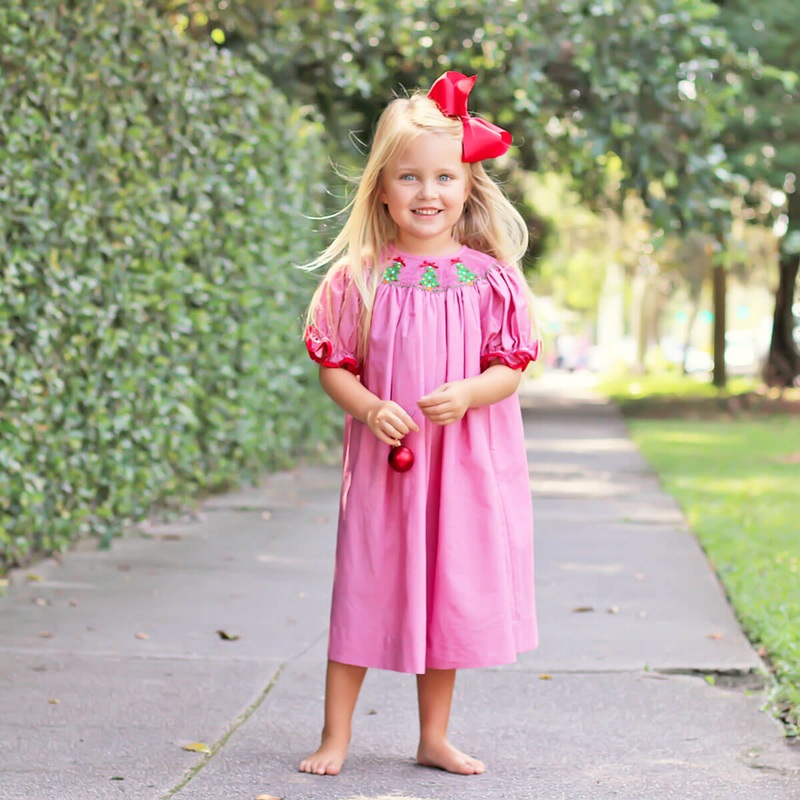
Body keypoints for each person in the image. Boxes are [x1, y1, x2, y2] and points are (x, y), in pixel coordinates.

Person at [300, 71, 540, 777]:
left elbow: (509, 368)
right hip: (388, 471)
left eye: (443, 176)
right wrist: (369, 406)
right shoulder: (360, 277)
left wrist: (469, 393)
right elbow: (336, 367)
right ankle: (335, 736)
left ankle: (433, 737)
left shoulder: (490, 279)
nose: (426, 192)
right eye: (408, 176)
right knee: (365, 587)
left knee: (444, 595)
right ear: (381, 187)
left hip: (460, 468)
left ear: (468, 185)